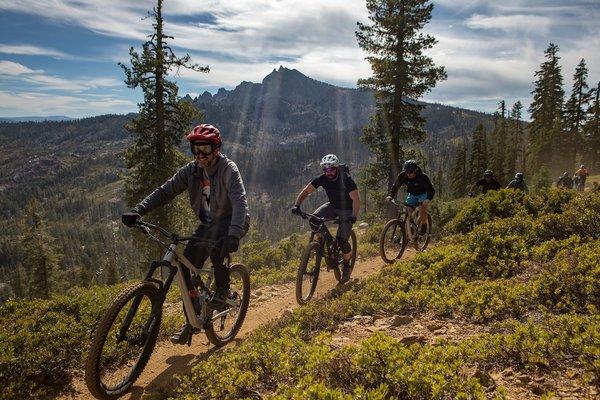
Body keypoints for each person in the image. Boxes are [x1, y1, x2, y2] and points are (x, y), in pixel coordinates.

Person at [121, 124, 250, 344]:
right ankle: (192, 321)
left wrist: (235, 234)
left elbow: (239, 200)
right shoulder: (190, 171)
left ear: (216, 149)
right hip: (208, 223)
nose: (200, 155)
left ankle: (222, 288)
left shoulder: (229, 169)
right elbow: (166, 191)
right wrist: (139, 209)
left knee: (218, 248)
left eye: (205, 149)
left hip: (232, 222)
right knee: (183, 268)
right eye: (195, 149)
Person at [291, 154, 360, 284]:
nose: (329, 172)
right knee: (314, 220)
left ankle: (346, 265)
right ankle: (323, 243)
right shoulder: (322, 179)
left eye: (331, 169)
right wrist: (297, 205)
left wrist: (353, 216)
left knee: (342, 240)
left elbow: (356, 199)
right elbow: (306, 191)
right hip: (333, 206)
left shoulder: (347, 179)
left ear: (337, 168)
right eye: (326, 170)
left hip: (347, 210)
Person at [385, 160, 435, 236]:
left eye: (411, 172)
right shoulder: (403, 175)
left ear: (415, 170)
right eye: (407, 172)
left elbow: (431, 190)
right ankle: (411, 227)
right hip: (412, 194)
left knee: (422, 210)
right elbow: (396, 186)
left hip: (423, 194)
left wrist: (428, 199)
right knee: (407, 210)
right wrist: (391, 196)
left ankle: (424, 224)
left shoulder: (422, 177)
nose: (409, 174)